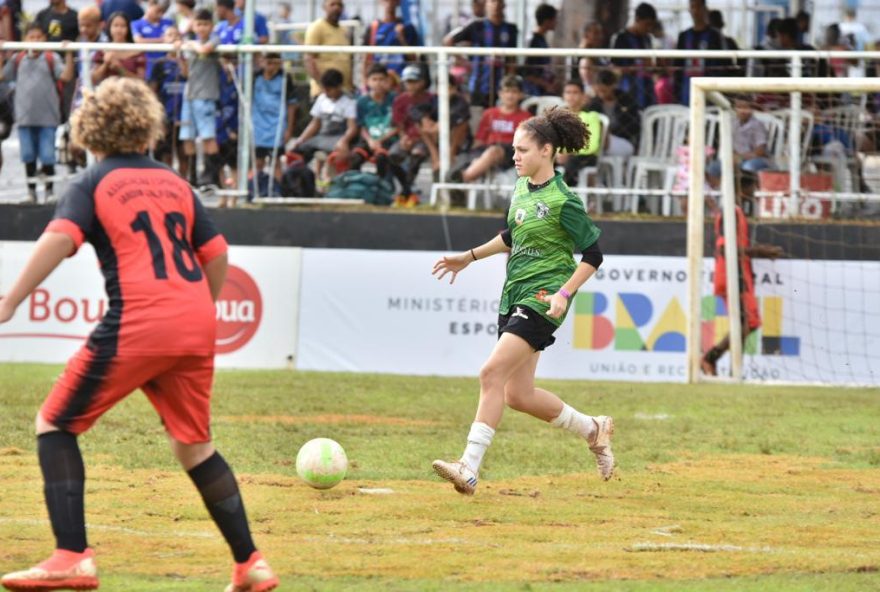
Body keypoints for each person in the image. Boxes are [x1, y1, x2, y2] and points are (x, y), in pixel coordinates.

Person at [0, 76, 279, 592]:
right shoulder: (177, 183)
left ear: (88, 127)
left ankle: (71, 556)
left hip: (140, 320)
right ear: (147, 125)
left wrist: (11, 298)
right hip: (196, 323)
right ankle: (251, 564)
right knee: (195, 447)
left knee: (54, 424)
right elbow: (216, 254)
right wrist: (197, 308)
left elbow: (60, 239)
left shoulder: (93, 182)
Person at [431, 107, 614, 495]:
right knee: (518, 395)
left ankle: (469, 467)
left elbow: (593, 256)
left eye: (522, 150)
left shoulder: (564, 200)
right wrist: (469, 257)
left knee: (490, 374)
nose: (514, 156)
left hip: (544, 297)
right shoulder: (519, 188)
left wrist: (565, 294)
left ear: (547, 150)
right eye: (513, 149)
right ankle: (593, 428)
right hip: (514, 292)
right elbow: (512, 237)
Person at [701, 203, 784, 375]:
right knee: (746, 323)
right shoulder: (730, 213)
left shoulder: (736, 211)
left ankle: (725, 366)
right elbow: (724, 249)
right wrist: (758, 251)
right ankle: (711, 359)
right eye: (752, 186)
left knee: (749, 323)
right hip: (732, 276)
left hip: (739, 276)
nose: (753, 191)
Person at [0, 23, 75, 202]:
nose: (35, 41)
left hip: (48, 118)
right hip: (25, 118)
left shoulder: (51, 58)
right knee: (28, 156)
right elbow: (2, 75)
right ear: (25, 40)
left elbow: (65, 76)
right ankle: (31, 192)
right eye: (31, 37)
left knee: (48, 155)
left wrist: (70, 53)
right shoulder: (18, 59)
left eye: (39, 37)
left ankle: (49, 191)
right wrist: (2, 54)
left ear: (45, 39)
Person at [448, 73, 530, 185]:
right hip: (486, 149)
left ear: (521, 95)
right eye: (506, 91)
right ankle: (456, 181)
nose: (510, 96)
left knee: (493, 152)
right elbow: (480, 140)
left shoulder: (525, 117)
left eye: (514, 92)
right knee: (467, 157)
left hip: (510, 152)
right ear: (500, 94)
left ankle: (463, 178)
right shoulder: (489, 113)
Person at [287, 68, 358, 188]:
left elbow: (352, 127)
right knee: (295, 153)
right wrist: (301, 139)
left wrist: (344, 141)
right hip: (321, 137)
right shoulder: (321, 98)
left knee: (340, 154)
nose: (326, 92)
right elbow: (315, 123)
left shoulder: (349, 101)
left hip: (338, 137)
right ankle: (300, 184)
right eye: (324, 89)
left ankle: (334, 184)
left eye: (329, 89)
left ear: (339, 87)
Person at [443, 0, 518, 108]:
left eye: (499, 2)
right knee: (478, 120)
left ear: (504, 5)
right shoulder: (476, 26)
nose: (496, 5)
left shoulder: (511, 29)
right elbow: (448, 41)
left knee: (498, 118)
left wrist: (510, 83)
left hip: (501, 87)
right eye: (492, 1)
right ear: (486, 4)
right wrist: (462, 61)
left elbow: (512, 59)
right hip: (478, 85)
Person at [179, 8, 222, 187]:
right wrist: (181, 52)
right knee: (187, 137)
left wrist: (188, 45)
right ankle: (192, 177)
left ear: (211, 26)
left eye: (205, 24)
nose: (202, 28)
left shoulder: (215, 40)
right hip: (189, 94)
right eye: (199, 24)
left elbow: (204, 49)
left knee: (207, 137)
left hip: (205, 95)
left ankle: (212, 177)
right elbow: (185, 72)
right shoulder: (189, 43)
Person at [387, 63, 433, 205]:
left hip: (426, 138)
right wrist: (403, 138)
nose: (410, 85)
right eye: (408, 82)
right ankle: (407, 188)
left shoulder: (431, 99)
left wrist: (418, 139)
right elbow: (399, 124)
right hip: (407, 137)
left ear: (422, 82)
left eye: (414, 82)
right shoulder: (400, 100)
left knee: (417, 154)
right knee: (392, 155)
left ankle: (405, 192)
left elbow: (431, 124)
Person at [252, 52, 297, 194]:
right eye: (267, 60)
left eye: (274, 61)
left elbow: (291, 105)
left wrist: (289, 129)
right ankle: (256, 190)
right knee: (257, 161)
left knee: (276, 161)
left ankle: (277, 191)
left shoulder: (285, 79)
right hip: (258, 126)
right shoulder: (255, 77)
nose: (270, 65)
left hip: (276, 126)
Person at [149, 26, 187, 173]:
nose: (173, 38)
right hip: (167, 113)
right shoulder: (159, 64)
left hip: (184, 113)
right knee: (166, 152)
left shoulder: (186, 61)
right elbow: (153, 89)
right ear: (164, 39)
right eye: (169, 35)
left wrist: (180, 58)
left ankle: (184, 182)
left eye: (177, 36)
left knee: (183, 152)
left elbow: (187, 75)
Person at [350, 63, 398, 181]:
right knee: (355, 158)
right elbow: (362, 126)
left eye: (382, 79)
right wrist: (370, 140)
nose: (378, 83)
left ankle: (383, 187)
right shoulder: (361, 102)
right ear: (367, 81)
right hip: (369, 139)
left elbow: (399, 126)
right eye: (374, 79)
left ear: (388, 81)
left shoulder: (396, 99)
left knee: (382, 158)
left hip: (389, 140)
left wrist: (381, 140)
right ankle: (356, 186)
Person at [674, 0, 725, 106]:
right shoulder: (683, 36)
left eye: (698, 7)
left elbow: (720, 64)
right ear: (689, 10)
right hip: (685, 90)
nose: (695, 11)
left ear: (705, 10)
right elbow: (677, 66)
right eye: (692, 7)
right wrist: (677, 91)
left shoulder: (714, 36)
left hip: (708, 91)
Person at [610, 2, 657, 110]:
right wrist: (635, 67)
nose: (649, 28)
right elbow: (614, 67)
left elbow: (650, 63)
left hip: (647, 89)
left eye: (651, 25)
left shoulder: (647, 39)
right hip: (627, 89)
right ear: (637, 19)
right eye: (647, 24)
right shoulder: (620, 38)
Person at [361, 0, 421, 84]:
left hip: (400, 80)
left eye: (393, 0)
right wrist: (364, 81)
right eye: (386, 0)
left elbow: (414, 58)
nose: (389, 3)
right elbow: (366, 58)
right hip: (378, 80)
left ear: (398, 2)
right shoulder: (373, 27)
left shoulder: (407, 27)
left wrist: (402, 38)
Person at [554, 79, 602, 186]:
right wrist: (559, 152)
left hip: (584, 156)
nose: (571, 96)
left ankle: (570, 197)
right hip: (562, 155)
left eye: (575, 92)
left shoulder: (591, 117)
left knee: (571, 162)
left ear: (583, 96)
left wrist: (570, 152)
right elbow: (553, 140)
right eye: (568, 92)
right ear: (563, 96)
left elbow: (592, 145)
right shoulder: (559, 118)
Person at [585, 69, 640, 160]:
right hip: (599, 139)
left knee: (601, 139)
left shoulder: (626, 101)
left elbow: (634, 126)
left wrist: (608, 132)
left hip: (623, 140)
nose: (601, 94)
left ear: (613, 85)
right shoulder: (594, 104)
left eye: (604, 91)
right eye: (599, 92)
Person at [304, 0, 352, 98]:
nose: (336, 7)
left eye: (339, 5)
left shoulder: (344, 30)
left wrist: (350, 85)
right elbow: (309, 59)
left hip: (343, 91)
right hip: (323, 92)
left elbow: (348, 60)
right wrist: (324, 86)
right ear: (324, 7)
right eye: (332, 4)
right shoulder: (316, 27)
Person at [91, 11, 146, 83]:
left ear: (128, 29)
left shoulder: (137, 52)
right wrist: (106, 64)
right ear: (109, 28)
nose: (119, 30)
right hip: (107, 91)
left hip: (129, 92)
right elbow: (94, 79)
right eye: (115, 26)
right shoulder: (102, 50)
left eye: (123, 26)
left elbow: (141, 82)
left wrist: (120, 69)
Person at [521, 3, 560, 97]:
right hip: (533, 92)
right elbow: (527, 72)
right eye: (555, 19)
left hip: (543, 89)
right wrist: (546, 85)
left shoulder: (542, 39)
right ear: (547, 21)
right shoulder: (534, 41)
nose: (556, 22)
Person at [132, 0, 174, 79]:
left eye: (163, 11)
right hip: (147, 64)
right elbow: (139, 41)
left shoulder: (169, 22)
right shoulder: (136, 24)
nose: (160, 14)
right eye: (158, 11)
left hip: (167, 64)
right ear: (150, 5)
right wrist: (162, 40)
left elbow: (174, 38)